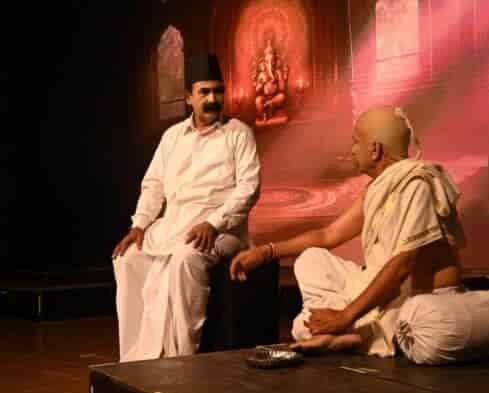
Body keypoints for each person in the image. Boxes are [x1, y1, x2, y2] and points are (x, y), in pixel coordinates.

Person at [230, 105, 465, 356]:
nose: (352, 150)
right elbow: (328, 235)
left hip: (418, 297)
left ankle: (353, 331)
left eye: (355, 142)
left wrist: (345, 315)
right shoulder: (378, 188)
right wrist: (266, 251)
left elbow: (402, 265)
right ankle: (347, 332)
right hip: (384, 287)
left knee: (309, 326)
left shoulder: (416, 185)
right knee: (311, 262)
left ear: (374, 149)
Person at [112, 53, 261, 362]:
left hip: (222, 230)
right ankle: (136, 357)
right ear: (188, 98)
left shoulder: (239, 133)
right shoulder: (172, 137)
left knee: (184, 257)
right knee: (127, 259)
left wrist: (214, 223)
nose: (212, 99)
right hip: (175, 224)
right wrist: (139, 224)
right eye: (204, 92)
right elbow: (153, 184)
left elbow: (249, 188)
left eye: (218, 91)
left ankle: (183, 356)